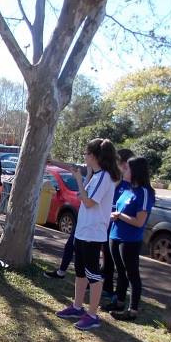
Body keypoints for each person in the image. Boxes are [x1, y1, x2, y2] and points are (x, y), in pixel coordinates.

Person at [54, 138, 121, 331]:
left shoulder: (105, 177)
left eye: (86, 153)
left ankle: (92, 315)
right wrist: (86, 176)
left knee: (93, 275)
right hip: (83, 231)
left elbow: (89, 202)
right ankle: (77, 306)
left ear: (94, 156)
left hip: (93, 233)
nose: (84, 156)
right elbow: (83, 197)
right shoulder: (96, 175)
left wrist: (78, 180)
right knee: (80, 272)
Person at [43, 148, 134, 280]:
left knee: (100, 257)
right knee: (73, 247)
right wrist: (52, 162)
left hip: (99, 222)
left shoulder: (111, 177)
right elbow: (73, 168)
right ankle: (65, 272)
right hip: (87, 219)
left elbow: (91, 200)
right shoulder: (98, 172)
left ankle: (100, 283)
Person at [104, 157, 155, 321]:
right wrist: (114, 215)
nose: (124, 171)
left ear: (136, 171)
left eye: (127, 169)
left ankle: (132, 310)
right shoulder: (127, 189)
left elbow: (140, 222)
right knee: (120, 271)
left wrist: (120, 216)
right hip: (115, 235)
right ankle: (119, 302)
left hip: (130, 240)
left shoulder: (144, 192)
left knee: (131, 273)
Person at [101, 148, 135, 302]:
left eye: (118, 163)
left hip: (122, 230)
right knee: (107, 257)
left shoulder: (132, 186)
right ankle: (107, 287)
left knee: (120, 264)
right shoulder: (117, 180)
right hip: (109, 225)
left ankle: (119, 294)